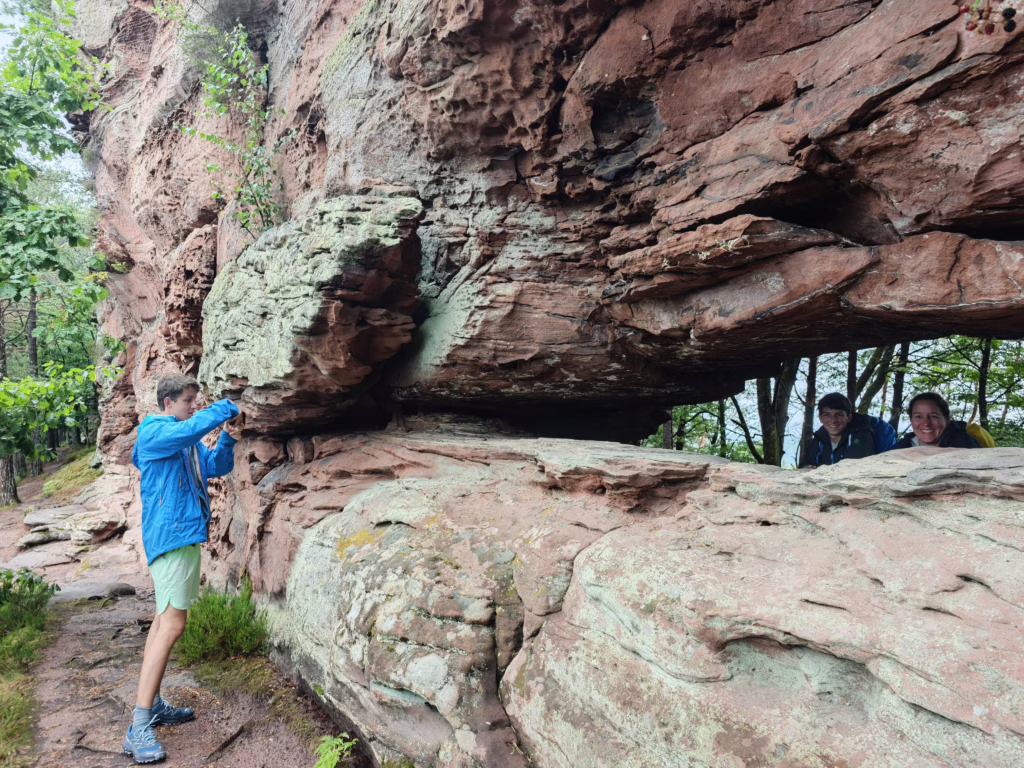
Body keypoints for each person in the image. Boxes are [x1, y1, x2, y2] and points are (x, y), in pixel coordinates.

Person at [123, 374, 241, 764]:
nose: (194, 405)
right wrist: (226, 407)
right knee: (173, 625)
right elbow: (190, 429)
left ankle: (152, 705)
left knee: (162, 622)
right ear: (169, 402)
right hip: (172, 538)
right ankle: (138, 726)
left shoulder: (185, 443)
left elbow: (217, 466)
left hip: (181, 537)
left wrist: (229, 435)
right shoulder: (155, 430)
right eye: (189, 400)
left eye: (196, 400)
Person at [799, 392, 897, 468]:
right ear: (820, 418)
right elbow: (805, 465)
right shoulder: (819, 439)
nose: (833, 420)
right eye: (827, 415)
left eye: (839, 414)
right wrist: (807, 467)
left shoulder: (862, 433)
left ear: (849, 417)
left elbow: (853, 466)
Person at [892, 392, 979, 449]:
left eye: (933, 416)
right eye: (918, 417)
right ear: (911, 420)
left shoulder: (964, 445)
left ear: (947, 419)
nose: (926, 423)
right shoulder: (903, 446)